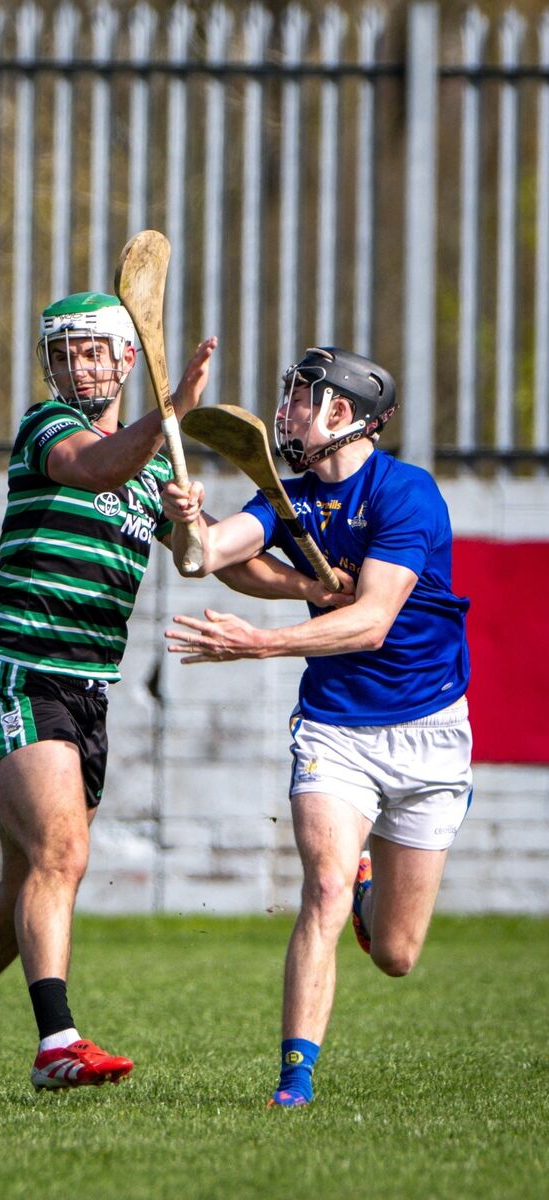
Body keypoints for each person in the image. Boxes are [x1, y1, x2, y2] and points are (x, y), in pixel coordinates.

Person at [0, 291, 221, 1098]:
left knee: (27, 883)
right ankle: (57, 1043)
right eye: (64, 353)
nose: (76, 366)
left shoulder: (148, 472)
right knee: (62, 856)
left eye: (91, 352)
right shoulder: (50, 430)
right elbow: (94, 465)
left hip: (89, 694)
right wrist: (172, 414)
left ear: (120, 361)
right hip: (20, 673)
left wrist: (197, 524)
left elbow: (206, 559)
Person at [162, 346, 472, 1109]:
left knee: (396, 954)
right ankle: (294, 1080)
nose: (287, 409)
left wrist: (259, 643)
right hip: (335, 727)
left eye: (304, 397)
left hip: (428, 727)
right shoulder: (286, 498)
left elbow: (369, 622)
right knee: (324, 886)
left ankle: (375, 898)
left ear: (345, 413)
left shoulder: (408, 494)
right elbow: (208, 558)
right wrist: (187, 522)